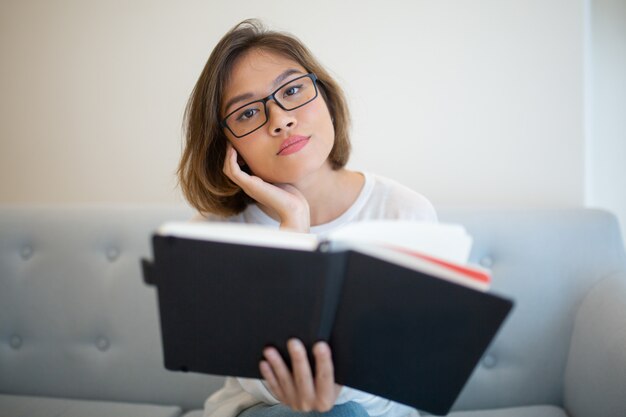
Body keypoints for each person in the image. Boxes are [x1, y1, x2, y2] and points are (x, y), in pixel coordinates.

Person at [177, 19, 437, 417]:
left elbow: (409, 370)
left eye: (293, 90)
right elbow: (265, 384)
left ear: (327, 98)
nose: (280, 119)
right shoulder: (211, 236)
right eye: (247, 114)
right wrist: (293, 231)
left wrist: (332, 388)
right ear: (228, 146)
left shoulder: (405, 213)